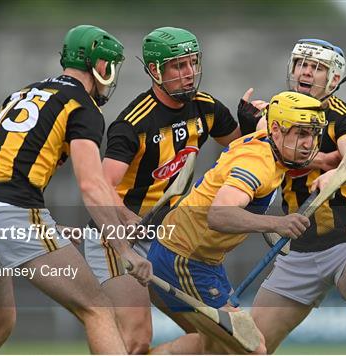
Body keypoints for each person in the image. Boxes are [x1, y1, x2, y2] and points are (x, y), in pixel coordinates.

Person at [0, 25, 151, 354]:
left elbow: (12, 167)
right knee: (97, 308)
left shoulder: (23, 94)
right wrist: (124, 251)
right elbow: (91, 183)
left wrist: (51, 230)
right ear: (101, 66)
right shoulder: (83, 107)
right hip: (10, 215)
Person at [83, 26, 265, 354]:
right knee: (136, 339)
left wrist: (251, 128)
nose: (190, 73)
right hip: (116, 236)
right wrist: (126, 221)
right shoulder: (133, 124)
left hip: (166, 240)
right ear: (155, 71)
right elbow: (103, 185)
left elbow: (242, 150)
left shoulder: (206, 108)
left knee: (217, 340)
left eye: (193, 63)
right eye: (179, 66)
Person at [251, 39, 346, 355]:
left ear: (333, 79)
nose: (306, 72)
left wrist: (334, 175)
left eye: (317, 68)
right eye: (302, 64)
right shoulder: (274, 116)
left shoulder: (342, 117)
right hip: (300, 249)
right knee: (250, 345)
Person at [146, 91, 327, 354]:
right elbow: (219, 214)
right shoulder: (257, 164)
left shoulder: (267, 140)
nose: (309, 143)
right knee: (251, 349)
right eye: (301, 134)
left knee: (212, 347)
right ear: (277, 130)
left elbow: (266, 121)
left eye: (313, 134)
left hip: (198, 260)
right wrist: (276, 224)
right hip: (183, 258)